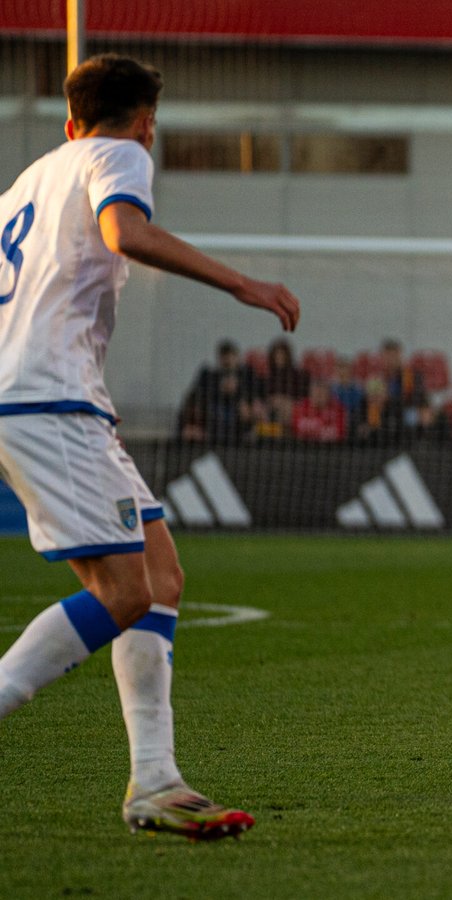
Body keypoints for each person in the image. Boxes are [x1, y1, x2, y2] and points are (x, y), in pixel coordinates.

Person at [0, 55, 299, 839]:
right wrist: (243, 284)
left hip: (49, 401)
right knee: (125, 593)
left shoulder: (26, 184)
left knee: (159, 575)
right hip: (48, 400)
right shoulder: (118, 154)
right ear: (145, 124)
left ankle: (155, 781)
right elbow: (124, 231)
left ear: (69, 120)